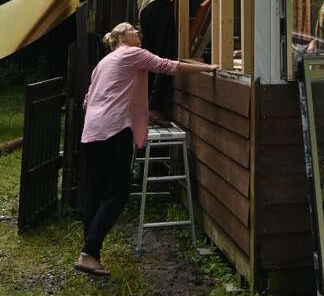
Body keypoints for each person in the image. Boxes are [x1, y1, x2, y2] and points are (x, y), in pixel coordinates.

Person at [75, 21, 217, 277]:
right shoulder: (131, 53)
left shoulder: (103, 63)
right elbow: (167, 66)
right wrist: (207, 67)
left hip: (90, 133)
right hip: (114, 131)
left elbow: (87, 100)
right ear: (121, 38)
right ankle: (89, 253)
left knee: (95, 193)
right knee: (117, 193)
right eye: (132, 29)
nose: (138, 32)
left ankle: (90, 251)